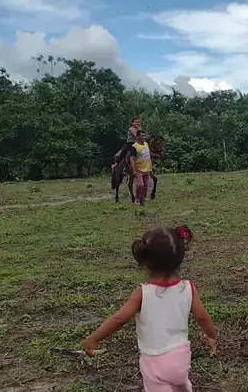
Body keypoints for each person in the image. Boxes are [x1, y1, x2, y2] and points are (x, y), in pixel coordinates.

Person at [82, 226, 217, 392]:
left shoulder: (143, 293)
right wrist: (211, 335)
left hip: (154, 362)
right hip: (181, 359)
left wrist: (94, 338)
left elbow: (119, 319)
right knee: (180, 386)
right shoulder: (189, 288)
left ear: (147, 265)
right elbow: (202, 317)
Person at [130, 130, 153, 206]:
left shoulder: (146, 144)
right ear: (137, 137)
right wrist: (134, 170)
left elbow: (148, 155)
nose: (144, 137)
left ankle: (142, 200)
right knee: (140, 185)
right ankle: (137, 199)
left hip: (147, 169)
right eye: (142, 136)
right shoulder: (134, 146)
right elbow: (132, 158)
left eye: (145, 136)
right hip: (139, 169)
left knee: (146, 185)